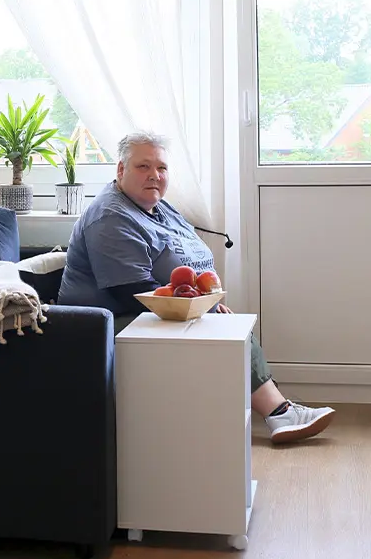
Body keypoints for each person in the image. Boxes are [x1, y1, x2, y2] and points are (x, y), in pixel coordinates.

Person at [58, 131, 336, 444]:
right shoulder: (111, 216)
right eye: (143, 167)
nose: (155, 175)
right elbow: (132, 292)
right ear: (120, 170)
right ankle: (277, 414)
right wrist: (201, 307)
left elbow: (194, 258)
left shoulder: (160, 208)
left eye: (161, 168)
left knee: (228, 325)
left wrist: (206, 300)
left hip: (150, 312)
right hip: (108, 322)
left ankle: (268, 414)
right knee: (217, 327)